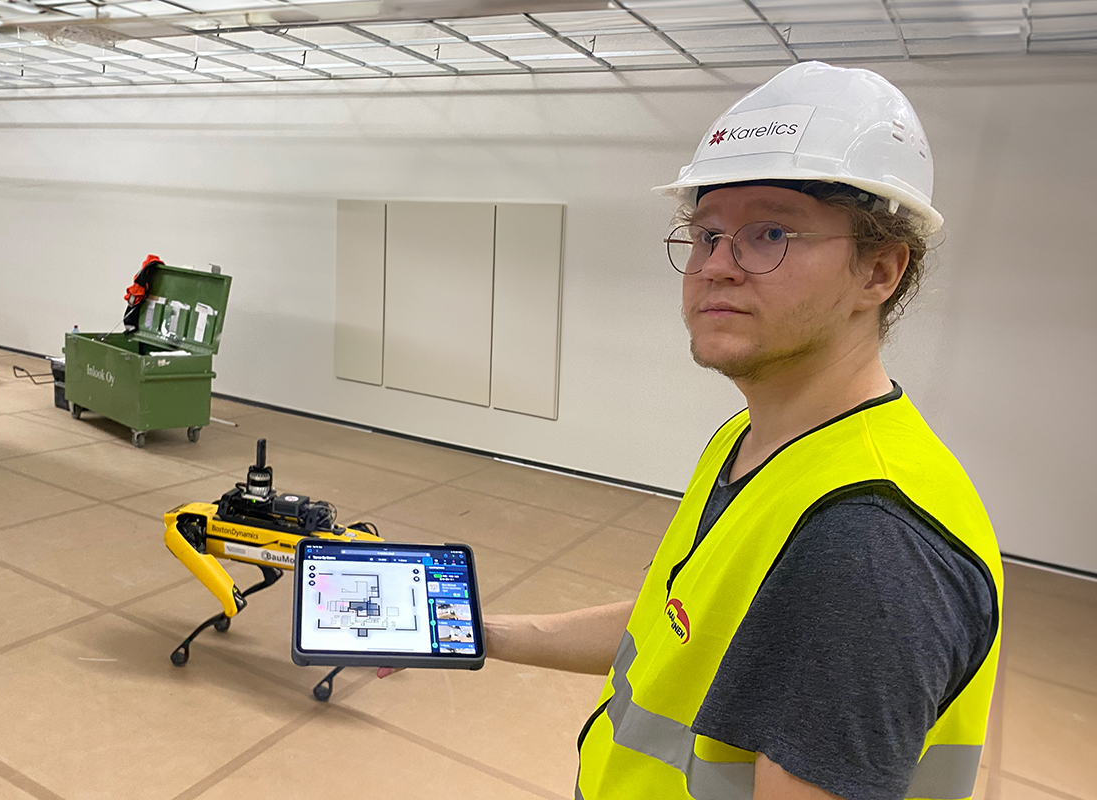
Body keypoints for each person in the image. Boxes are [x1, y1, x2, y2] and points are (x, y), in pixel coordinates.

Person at [382, 61, 1002, 800]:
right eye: (706, 235)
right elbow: (678, 629)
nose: (716, 266)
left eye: (770, 233)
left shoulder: (868, 544)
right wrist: (476, 632)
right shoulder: (751, 440)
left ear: (879, 272)